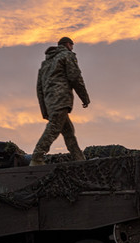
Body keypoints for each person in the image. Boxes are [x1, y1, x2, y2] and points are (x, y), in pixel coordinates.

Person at [31, 37, 91, 166]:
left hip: (49, 102)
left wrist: (44, 110)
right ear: (68, 45)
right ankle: (37, 157)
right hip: (61, 98)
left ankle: (80, 161)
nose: (73, 48)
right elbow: (75, 77)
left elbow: (39, 88)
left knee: (69, 133)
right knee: (54, 128)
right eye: (72, 45)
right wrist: (84, 98)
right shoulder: (67, 55)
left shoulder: (45, 64)